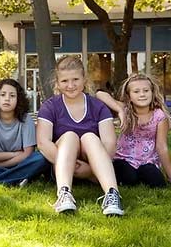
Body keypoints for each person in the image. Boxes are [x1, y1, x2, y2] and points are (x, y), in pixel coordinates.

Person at [36, 55, 124, 216]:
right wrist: (74, 166)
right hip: (63, 165)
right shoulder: (50, 106)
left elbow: (109, 143)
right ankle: (64, 193)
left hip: (95, 167)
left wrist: (90, 170)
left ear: (84, 79)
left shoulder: (98, 106)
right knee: (70, 136)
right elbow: (43, 143)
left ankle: (112, 194)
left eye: (75, 79)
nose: (70, 85)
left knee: (89, 137)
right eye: (64, 81)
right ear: (57, 83)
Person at [96, 73, 171, 188]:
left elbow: (162, 146)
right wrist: (120, 110)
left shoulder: (159, 116)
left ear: (152, 93)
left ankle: (142, 174)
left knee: (157, 182)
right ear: (129, 97)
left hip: (147, 161)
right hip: (124, 158)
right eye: (136, 91)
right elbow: (100, 94)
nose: (142, 94)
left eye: (146, 90)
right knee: (128, 177)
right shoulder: (126, 109)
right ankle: (131, 175)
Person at [0, 79, 48, 187]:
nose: (7, 99)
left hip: (20, 164)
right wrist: (13, 154)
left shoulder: (26, 119)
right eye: (3, 95)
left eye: (12, 96)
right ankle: (16, 179)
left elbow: (27, 154)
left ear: (18, 99)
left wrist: (0, 165)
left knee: (41, 158)